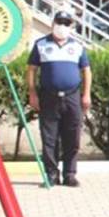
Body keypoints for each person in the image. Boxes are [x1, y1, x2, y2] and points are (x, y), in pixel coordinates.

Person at [26, 11, 91, 187]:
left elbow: (86, 70)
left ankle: (70, 174)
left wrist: (86, 94)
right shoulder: (41, 44)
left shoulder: (77, 46)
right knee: (49, 137)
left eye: (66, 23)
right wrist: (32, 93)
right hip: (49, 96)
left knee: (72, 136)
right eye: (59, 22)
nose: (62, 26)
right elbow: (32, 69)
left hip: (72, 96)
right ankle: (52, 174)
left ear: (71, 26)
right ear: (53, 23)